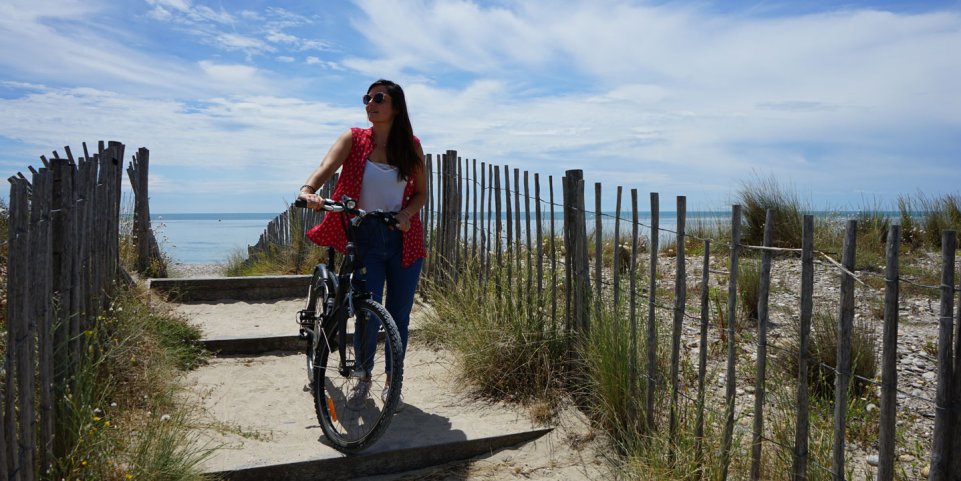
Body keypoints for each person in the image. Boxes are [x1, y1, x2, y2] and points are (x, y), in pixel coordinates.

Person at [297, 79, 426, 409]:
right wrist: (308, 190)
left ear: (396, 106)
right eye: (367, 97)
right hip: (364, 234)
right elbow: (326, 167)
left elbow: (421, 193)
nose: (370, 102)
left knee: (399, 315)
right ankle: (363, 374)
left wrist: (407, 214)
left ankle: (391, 382)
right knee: (368, 312)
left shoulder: (410, 146)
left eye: (378, 97)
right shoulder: (354, 138)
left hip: (403, 238)